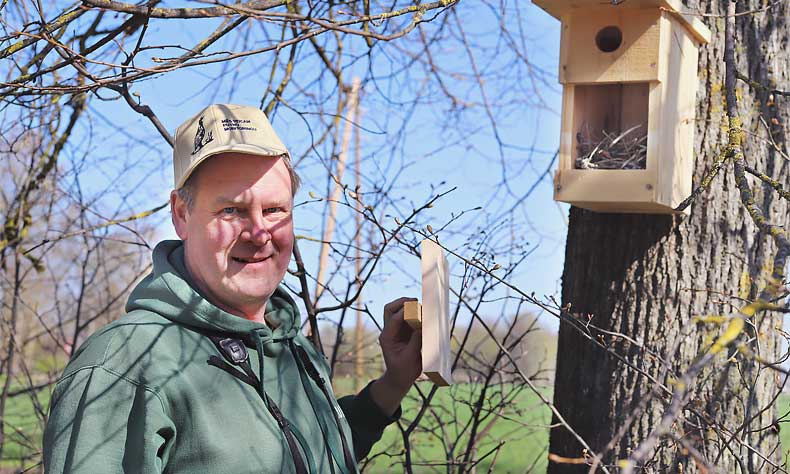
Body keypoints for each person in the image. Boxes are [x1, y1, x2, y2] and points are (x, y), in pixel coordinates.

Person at [43, 104, 422, 473]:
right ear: (181, 215)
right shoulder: (125, 366)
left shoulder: (287, 344)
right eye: (232, 211)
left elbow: (306, 456)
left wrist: (393, 385)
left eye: (275, 210)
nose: (259, 234)